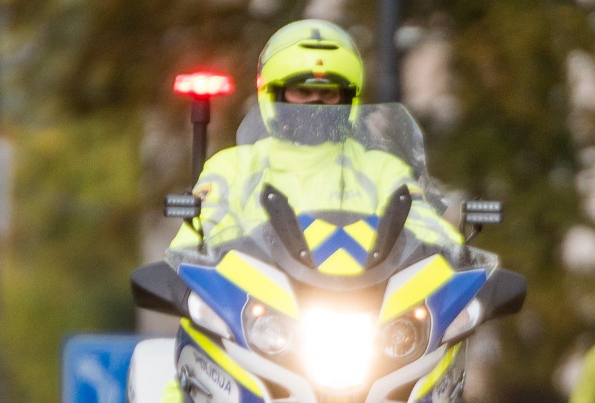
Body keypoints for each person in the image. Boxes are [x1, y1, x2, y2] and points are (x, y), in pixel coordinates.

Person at [170, 18, 461, 259]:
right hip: (253, 307)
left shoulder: (383, 171)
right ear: (273, 96)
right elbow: (193, 246)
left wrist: (453, 255)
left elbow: (431, 237)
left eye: (328, 93)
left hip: (365, 305)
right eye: (302, 92)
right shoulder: (233, 169)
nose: (315, 103)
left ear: (348, 100)